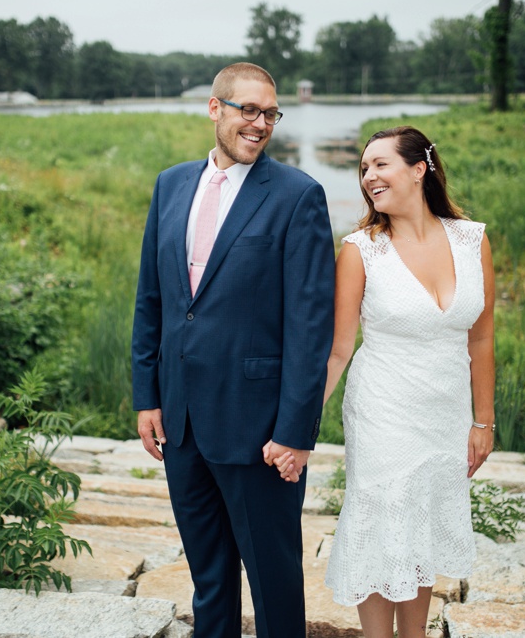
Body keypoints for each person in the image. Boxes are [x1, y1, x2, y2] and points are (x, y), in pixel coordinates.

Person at [131, 62, 335, 638]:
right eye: (249, 110)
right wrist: (148, 395)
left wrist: (296, 431)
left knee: (273, 583)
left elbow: (310, 325)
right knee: (209, 580)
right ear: (215, 109)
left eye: (270, 113)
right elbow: (154, 299)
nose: (261, 123)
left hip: (259, 430)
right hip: (182, 421)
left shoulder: (299, 196)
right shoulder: (171, 184)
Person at [278, 126, 495, 638]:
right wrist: (298, 428)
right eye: (363, 168)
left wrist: (482, 421)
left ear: (420, 169)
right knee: (382, 523)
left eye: (380, 164)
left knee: (419, 526)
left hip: (445, 413)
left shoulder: (472, 240)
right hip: (382, 409)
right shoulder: (361, 250)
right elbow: (337, 350)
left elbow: (481, 340)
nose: (368, 176)